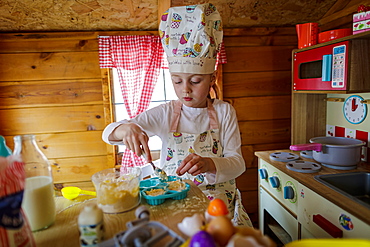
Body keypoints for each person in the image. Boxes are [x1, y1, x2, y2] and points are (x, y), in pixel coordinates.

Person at [102, 3, 252, 226]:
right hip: (175, 204)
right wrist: (127, 128)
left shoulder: (224, 111)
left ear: (212, 79)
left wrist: (210, 164)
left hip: (218, 208)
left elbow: (238, 163)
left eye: (195, 81)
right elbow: (108, 134)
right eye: (177, 81)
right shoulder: (166, 113)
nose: (185, 90)